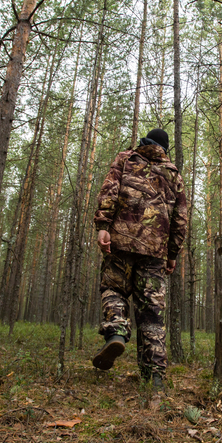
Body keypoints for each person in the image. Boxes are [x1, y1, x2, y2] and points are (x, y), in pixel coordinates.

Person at [91, 128, 188, 388]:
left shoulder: (126, 158)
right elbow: (181, 218)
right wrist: (172, 254)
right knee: (152, 315)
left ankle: (117, 331)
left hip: (120, 241)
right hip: (155, 252)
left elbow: (109, 191)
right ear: (165, 148)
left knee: (113, 288)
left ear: (146, 141)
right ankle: (154, 376)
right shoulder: (173, 174)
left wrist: (103, 225)